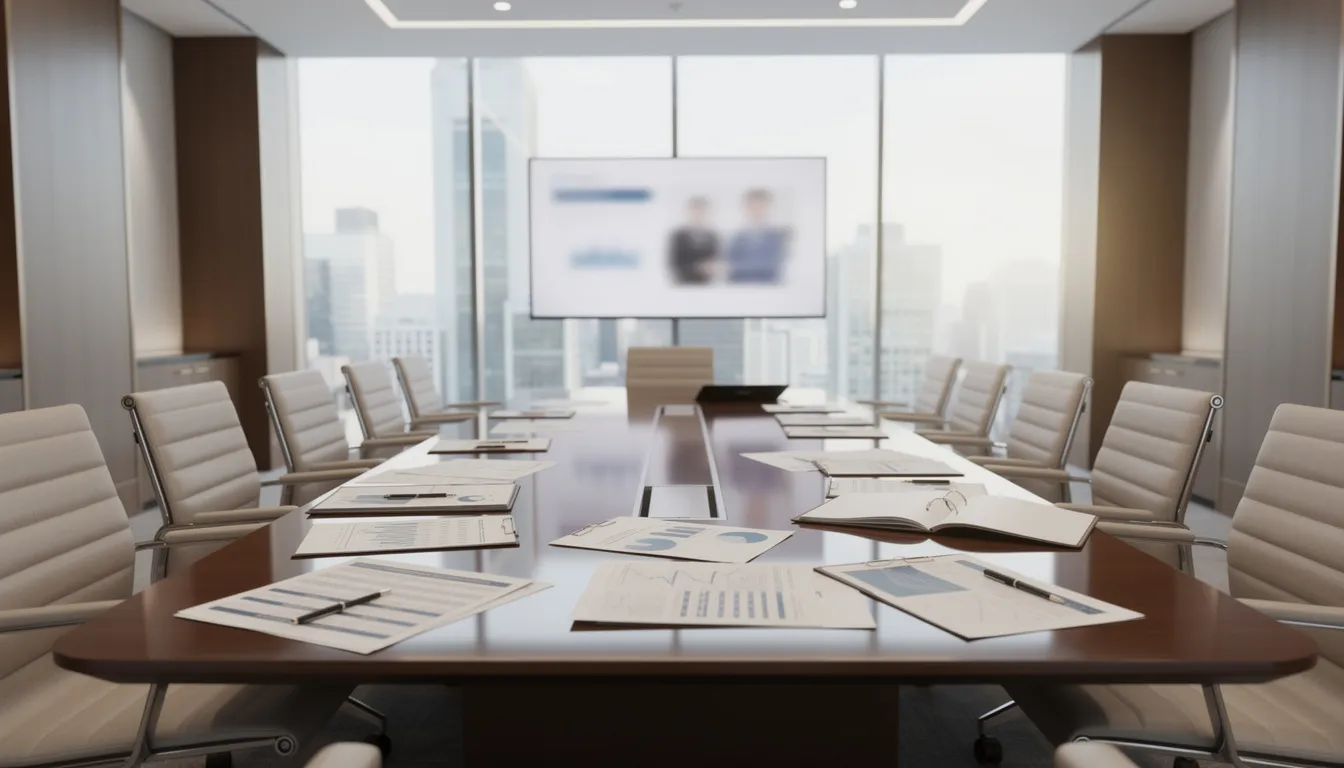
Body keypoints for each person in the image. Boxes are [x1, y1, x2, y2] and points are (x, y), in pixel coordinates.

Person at [726, 188, 789, 284]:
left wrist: (732, 267)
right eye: (752, 206)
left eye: (760, 206)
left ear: (768, 208)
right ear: (746, 208)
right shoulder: (738, 237)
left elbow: (770, 264)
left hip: (768, 289)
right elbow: (729, 260)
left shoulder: (778, 236)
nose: (756, 211)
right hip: (739, 288)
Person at [667, 196, 720, 285]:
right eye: (696, 211)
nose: (699, 215)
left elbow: (716, 261)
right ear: (689, 212)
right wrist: (698, 268)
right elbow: (674, 265)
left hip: (707, 286)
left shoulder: (712, 237)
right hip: (684, 285)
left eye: (703, 211)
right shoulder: (679, 236)